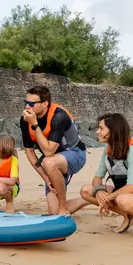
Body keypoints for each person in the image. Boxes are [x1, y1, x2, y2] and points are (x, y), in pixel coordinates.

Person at [77, 113, 133, 240]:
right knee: (86, 190)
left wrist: (107, 199)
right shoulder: (108, 149)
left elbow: (131, 188)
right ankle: (130, 215)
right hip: (126, 195)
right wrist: (99, 191)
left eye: (101, 128)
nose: (97, 131)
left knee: (122, 200)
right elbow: (97, 178)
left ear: (113, 131)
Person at [20, 85, 88, 215]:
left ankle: (63, 208)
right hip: (52, 163)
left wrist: (35, 125)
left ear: (45, 103)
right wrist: (45, 177)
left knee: (48, 162)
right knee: (53, 212)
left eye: (31, 103)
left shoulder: (58, 116)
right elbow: (29, 151)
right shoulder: (25, 120)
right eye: (26, 102)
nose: (27, 107)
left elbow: (49, 152)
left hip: (75, 154)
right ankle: (89, 198)